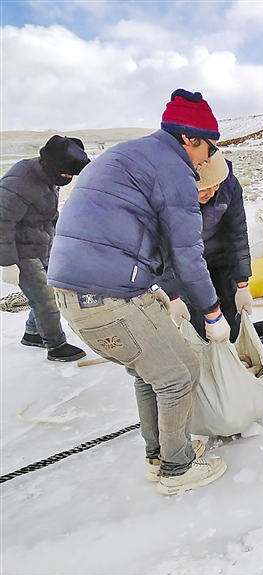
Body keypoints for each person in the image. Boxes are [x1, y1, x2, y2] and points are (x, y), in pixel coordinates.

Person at [48, 89, 229, 495]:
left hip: (82, 291)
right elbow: (187, 254)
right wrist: (213, 312)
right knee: (178, 377)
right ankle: (177, 469)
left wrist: (148, 286)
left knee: (157, 373)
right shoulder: (174, 168)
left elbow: (123, 230)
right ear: (189, 138)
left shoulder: (133, 154)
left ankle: (160, 454)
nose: (207, 160)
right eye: (208, 147)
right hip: (104, 295)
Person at [0, 135, 90, 362]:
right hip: (20, 250)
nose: (68, 179)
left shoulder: (48, 178)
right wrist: (7, 262)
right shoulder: (19, 182)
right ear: (54, 166)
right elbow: (2, 222)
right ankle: (55, 345)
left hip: (42, 245)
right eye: (66, 175)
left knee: (51, 293)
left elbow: (48, 215)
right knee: (46, 299)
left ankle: (33, 333)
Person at [159, 151, 253, 342]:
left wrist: (242, 283)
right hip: (183, 265)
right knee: (198, 319)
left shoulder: (228, 186)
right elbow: (160, 251)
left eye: (215, 185)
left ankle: (233, 352)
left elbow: (237, 233)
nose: (210, 193)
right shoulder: (167, 198)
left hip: (218, 255)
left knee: (231, 312)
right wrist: (173, 295)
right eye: (203, 188)